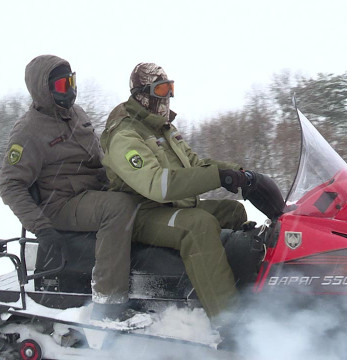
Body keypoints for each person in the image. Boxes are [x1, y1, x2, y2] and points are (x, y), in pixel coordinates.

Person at [100, 62, 256, 325]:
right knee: (198, 225)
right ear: (142, 93)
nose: (168, 95)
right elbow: (157, 185)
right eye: (161, 88)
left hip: (172, 206)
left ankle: (248, 292)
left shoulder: (164, 129)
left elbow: (195, 164)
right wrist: (216, 177)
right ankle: (229, 322)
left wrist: (236, 172)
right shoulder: (125, 135)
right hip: (140, 213)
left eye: (171, 87)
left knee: (233, 211)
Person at [0, 55, 150, 329]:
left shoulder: (77, 114)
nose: (69, 90)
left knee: (142, 193)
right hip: (60, 204)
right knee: (117, 208)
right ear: (43, 89)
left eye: (72, 81)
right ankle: (109, 303)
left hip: (92, 191)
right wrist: (42, 228)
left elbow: (98, 155)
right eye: (61, 85)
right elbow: (10, 185)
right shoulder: (28, 131)